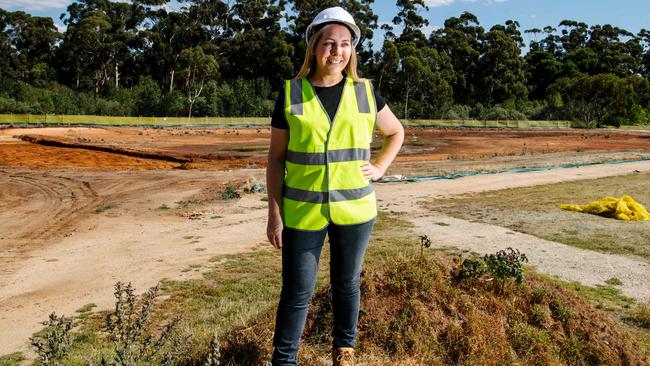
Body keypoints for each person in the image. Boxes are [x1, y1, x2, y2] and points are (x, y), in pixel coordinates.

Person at [266, 6, 404, 366]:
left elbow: (395, 132)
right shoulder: (291, 93)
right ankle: (284, 361)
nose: (336, 51)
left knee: (347, 285)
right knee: (297, 292)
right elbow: (276, 159)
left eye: (344, 44)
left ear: (352, 50)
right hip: (302, 212)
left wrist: (380, 167)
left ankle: (344, 352)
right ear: (314, 47)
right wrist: (274, 214)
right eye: (329, 43)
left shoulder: (365, 92)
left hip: (355, 211)